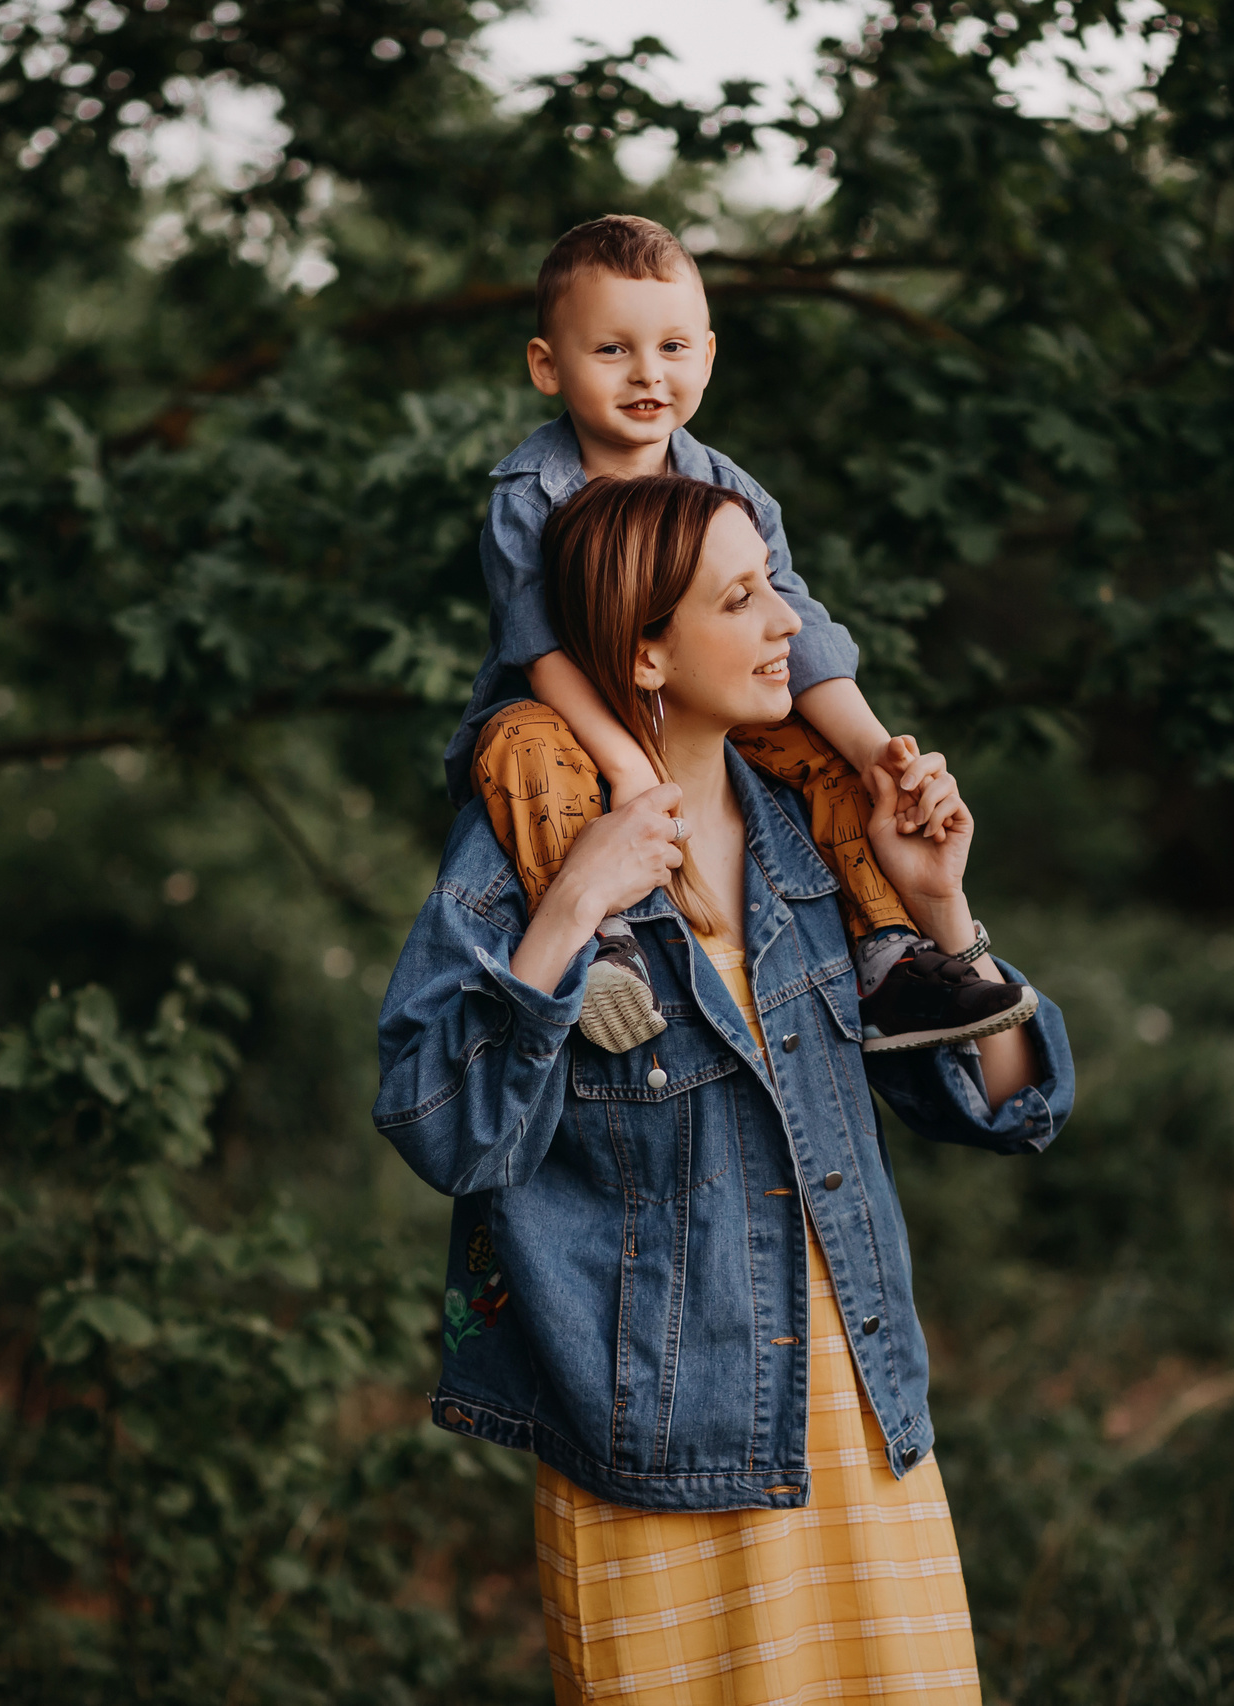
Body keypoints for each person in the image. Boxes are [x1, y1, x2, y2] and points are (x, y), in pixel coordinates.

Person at [376, 474, 1074, 1705]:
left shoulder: (818, 834)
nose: (784, 628)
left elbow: (1007, 1109)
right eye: (742, 599)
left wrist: (942, 911)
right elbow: (443, 1126)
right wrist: (576, 907)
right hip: (649, 1462)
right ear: (644, 653)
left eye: (773, 590)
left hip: (860, 1432)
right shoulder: (522, 843)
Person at [444, 213, 1034, 1057]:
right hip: (568, 721)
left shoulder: (728, 490)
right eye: (613, 350)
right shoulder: (531, 496)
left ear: (709, 356)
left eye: (674, 348)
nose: (649, 373)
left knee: (827, 761)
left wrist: (874, 752)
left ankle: (888, 955)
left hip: (704, 722)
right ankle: (606, 941)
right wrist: (629, 770)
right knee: (525, 747)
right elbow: (540, 650)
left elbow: (798, 628)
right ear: (548, 365)